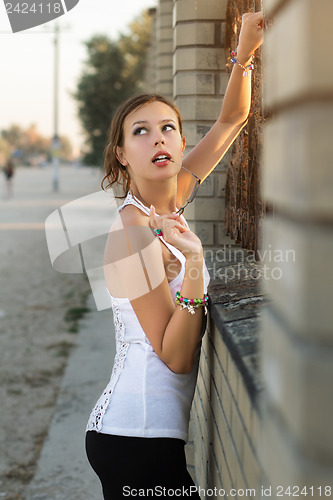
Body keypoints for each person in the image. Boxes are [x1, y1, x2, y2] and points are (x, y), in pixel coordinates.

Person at [85, 11, 264, 499]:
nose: (158, 137)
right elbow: (176, 356)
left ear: (182, 143)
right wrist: (195, 272)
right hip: (133, 441)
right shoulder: (133, 234)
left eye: (168, 127)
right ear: (121, 153)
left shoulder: (171, 199)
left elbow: (231, 120)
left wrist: (243, 55)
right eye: (140, 131)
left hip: (149, 441)